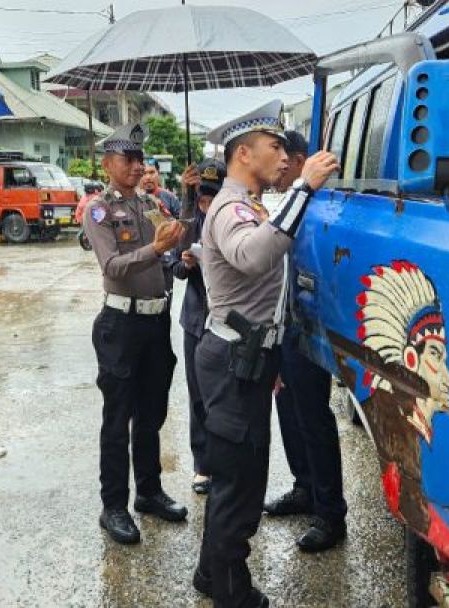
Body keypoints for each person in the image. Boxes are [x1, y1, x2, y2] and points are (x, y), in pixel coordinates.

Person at [192, 100, 338, 607]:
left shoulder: (249, 205)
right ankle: (232, 594)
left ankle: (211, 574)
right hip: (234, 361)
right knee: (240, 486)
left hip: (248, 357)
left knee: (235, 477)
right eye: (274, 147)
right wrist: (305, 187)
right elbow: (255, 257)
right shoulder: (233, 208)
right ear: (243, 154)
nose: (283, 156)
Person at [82, 122, 188, 545]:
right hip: (120, 324)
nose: (136, 165)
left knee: (151, 413)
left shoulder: (151, 203)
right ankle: (113, 506)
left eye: (139, 159)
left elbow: (176, 242)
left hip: (154, 320)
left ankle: (149, 491)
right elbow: (112, 267)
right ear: (108, 163)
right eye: (128, 159)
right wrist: (156, 250)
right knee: (117, 417)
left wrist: (191, 198)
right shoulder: (99, 210)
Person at [264, 130, 349, 553]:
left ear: (300, 160)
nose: (277, 165)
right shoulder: (287, 200)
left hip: (309, 323)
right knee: (288, 408)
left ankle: (330, 512)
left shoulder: (319, 204)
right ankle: (304, 487)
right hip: (285, 322)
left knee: (313, 417)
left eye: (283, 155)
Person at [170, 158, 225, 497]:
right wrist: (187, 261)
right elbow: (175, 268)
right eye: (202, 198)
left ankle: (226, 464)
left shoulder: (233, 218)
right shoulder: (190, 220)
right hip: (195, 319)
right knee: (198, 397)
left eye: (211, 198)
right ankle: (202, 465)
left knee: (226, 398)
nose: (207, 204)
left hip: (226, 322)